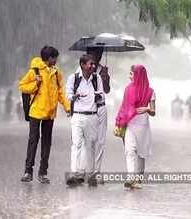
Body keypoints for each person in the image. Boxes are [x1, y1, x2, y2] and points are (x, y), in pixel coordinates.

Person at [19, 46, 70, 184]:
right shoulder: (34, 70)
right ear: (49, 58)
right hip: (36, 112)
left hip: (50, 113)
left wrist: (67, 107)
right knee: (33, 141)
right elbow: (22, 86)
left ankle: (43, 172)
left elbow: (60, 93)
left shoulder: (56, 72)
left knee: (47, 143)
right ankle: (28, 171)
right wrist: (35, 83)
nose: (56, 61)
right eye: (55, 58)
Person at [65, 54, 104, 187]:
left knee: (90, 146)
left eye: (93, 64)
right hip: (77, 116)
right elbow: (68, 95)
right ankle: (74, 173)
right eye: (90, 64)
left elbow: (102, 95)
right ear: (82, 65)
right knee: (76, 144)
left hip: (92, 116)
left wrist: (98, 97)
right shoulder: (73, 78)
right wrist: (74, 96)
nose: (93, 66)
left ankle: (91, 174)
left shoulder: (96, 78)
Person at [115, 65, 156, 189]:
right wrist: (119, 120)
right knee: (130, 150)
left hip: (143, 125)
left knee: (141, 153)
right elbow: (124, 106)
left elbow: (153, 112)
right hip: (130, 124)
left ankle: (138, 178)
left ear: (139, 76)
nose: (129, 76)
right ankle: (131, 177)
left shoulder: (150, 91)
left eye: (132, 74)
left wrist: (147, 108)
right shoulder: (128, 89)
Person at [85, 47, 110, 180]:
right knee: (90, 141)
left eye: (99, 54)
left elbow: (107, 90)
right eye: (94, 54)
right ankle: (89, 170)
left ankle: (97, 171)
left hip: (101, 108)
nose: (97, 57)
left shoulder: (102, 70)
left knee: (100, 141)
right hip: (88, 110)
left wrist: (105, 77)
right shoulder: (81, 71)